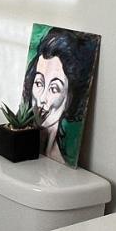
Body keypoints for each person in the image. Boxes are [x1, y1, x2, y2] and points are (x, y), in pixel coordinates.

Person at [21, 28, 98, 166]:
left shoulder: (62, 164)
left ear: (69, 99)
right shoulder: (20, 144)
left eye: (54, 88)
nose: (42, 99)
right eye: (39, 83)